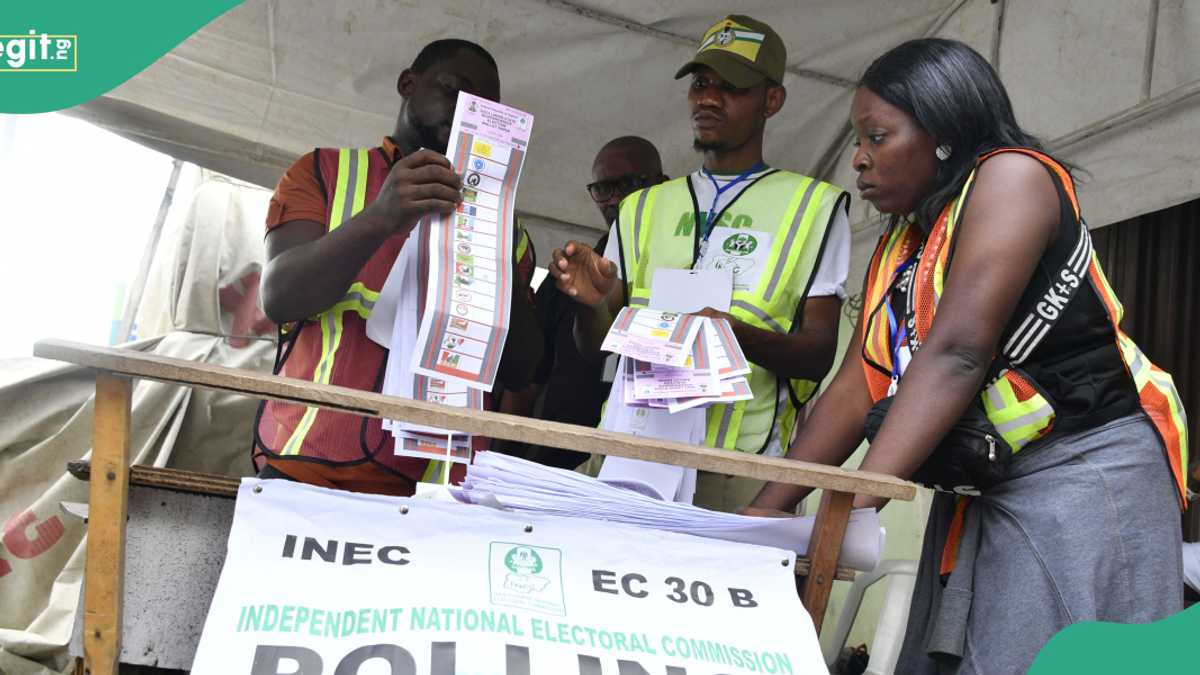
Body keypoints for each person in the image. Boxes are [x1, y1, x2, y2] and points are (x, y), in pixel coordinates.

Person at [748, 39, 1188, 673]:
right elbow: (856, 386)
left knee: (1050, 658)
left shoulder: (1016, 177)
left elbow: (958, 352)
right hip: (991, 478)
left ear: (944, 133)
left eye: (877, 136)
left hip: (1084, 471)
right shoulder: (905, 241)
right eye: (857, 140)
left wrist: (854, 505)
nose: (859, 161)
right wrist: (769, 511)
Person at [550, 15, 851, 511]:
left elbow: (819, 355)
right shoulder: (642, 207)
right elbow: (595, 349)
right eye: (701, 84)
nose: (708, 99)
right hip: (629, 455)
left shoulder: (815, 207)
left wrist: (732, 336)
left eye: (731, 87)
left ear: (771, 101)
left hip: (734, 470)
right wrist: (594, 304)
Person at [254, 39, 542, 496]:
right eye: (456, 91)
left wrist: (491, 240)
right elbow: (279, 297)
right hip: (305, 475)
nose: (468, 112)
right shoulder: (324, 171)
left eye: (484, 107)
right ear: (408, 84)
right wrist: (379, 219)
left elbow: (521, 369)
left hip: (437, 495)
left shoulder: (508, 227)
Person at [516, 137, 668, 469]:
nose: (615, 199)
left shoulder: (677, 269)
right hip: (554, 456)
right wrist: (505, 449)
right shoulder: (572, 272)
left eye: (627, 184)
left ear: (664, 185)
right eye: (603, 189)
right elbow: (529, 377)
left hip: (637, 458)